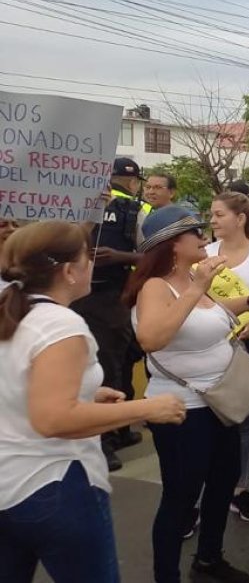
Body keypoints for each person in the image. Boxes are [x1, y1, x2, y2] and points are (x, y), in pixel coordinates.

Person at [0, 221, 186, 583]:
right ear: (70, 271)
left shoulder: (14, 311)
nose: (92, 265)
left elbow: (18, 381)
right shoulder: (60, 324)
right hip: (53, 485)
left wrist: (88, 393)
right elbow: (54, 419)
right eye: (88, 257)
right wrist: (148, 408)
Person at [125, 205, 249, 583]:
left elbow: (204, 317)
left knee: (222, 483)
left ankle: (209, 559)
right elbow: (151, 337)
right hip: (182, 410)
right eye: (195, 233)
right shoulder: (156, 286)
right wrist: (199, 287)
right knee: (181, 497)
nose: (204, 237)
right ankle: (166, 575)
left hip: (219, 403)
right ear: (172, 244)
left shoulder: (190, 280)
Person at [71, 157, 151, 471]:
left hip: (113, 296)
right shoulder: (72, 206)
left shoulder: (134, 210)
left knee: (116, 363)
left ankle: (116, 432)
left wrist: (119, 256)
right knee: (106, 366)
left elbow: (152, 254)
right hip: (88, 295)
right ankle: (104, 440)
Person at [205, 192, 249, 522]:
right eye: (212, 214)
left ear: (240, 218)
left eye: (219, 214)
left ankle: (239, 488)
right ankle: (206, 488)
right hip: (210, 345)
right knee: (210, 417)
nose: (213, 220)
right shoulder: (205, 255)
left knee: (244, 418)